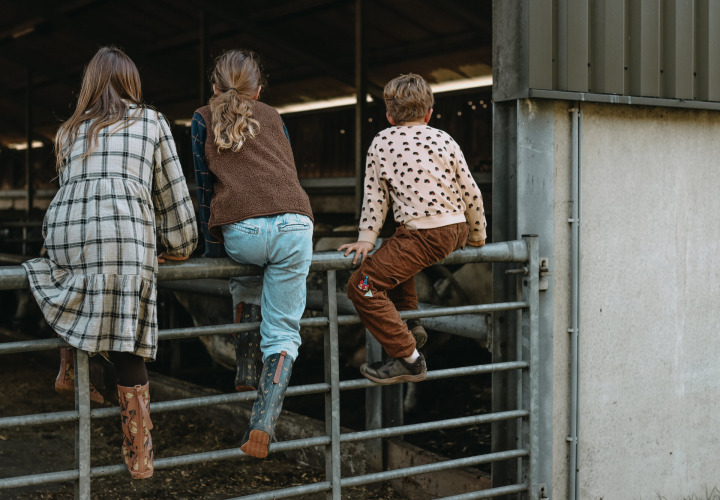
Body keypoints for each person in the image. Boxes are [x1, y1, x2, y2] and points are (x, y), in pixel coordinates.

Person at [22, 47, 198, 479]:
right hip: (121, 235)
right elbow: (172, 192)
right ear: (132, 83)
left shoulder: (68, 130)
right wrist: (181, 243)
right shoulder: (152, 121)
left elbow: (76, 191)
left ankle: (68, 365)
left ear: (91, 84)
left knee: (68, 273)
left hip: (63, 231)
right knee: (126, 343)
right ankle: (139, 451)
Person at [191, 49, 314, 459]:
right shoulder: (275, 116)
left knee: (244, 269)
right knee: (283, 333)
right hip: (297, 225)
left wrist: (212, 252)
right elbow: (287, 172)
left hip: (243, 230)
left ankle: (244, 367)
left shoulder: (202, 118)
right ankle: (262, 424)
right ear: (259, 89)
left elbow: (205, 190)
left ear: (214, 87)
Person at [338, 73, 487, 385]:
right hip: (455, 228)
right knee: (394, 250)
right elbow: (471, 191)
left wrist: (366, 237)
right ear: (429, 113)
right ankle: (412, 320)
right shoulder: (445, 139)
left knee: (361, 287)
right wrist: (477, 234)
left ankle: (409, 358)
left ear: (389, 115)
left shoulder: (382, 142)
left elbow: (375, 196)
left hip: (424, 235)